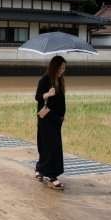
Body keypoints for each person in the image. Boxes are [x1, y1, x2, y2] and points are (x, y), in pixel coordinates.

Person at [35, 55, 66, 190]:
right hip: (46, 118)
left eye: (64, 68)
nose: (62, 70)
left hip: (56, 119)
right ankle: (52, 176)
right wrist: (47, 94)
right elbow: (37, 97)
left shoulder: (60, 80)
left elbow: (61, 101)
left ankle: (40, 169)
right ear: (55, 67)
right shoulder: (45, 80)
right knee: (49, 146)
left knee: (53, 145)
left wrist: (62, 115)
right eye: (61, 68)